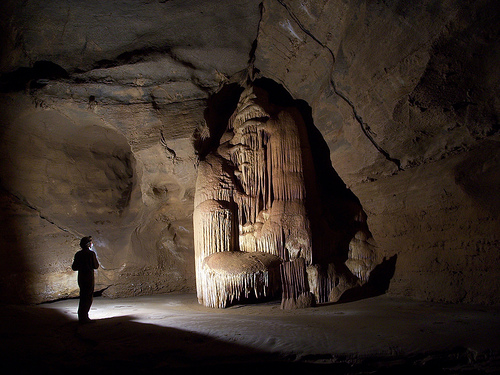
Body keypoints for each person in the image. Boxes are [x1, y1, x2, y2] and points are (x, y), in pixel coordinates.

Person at [72, 236, 99, 323]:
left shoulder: (78, 254)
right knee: (87, 297)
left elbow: (74, 267)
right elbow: (96, 266)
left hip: (81, 277)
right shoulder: (91, 254)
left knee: (83, 296)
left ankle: (81, 316)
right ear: (88, 244)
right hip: (88, 277)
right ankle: (84, 317)